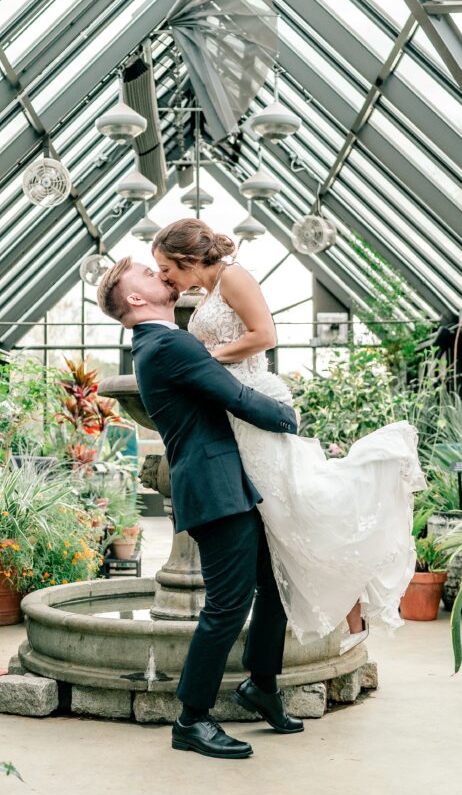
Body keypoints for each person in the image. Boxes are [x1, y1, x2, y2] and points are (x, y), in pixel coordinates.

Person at [151, 218, 426, 652]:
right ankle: (338, 615)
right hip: (235, 408)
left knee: (300, 506)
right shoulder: (206, 294)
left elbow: (265, 336)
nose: (164, 277)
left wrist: (206, 360)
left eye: (165, 267)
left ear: (186, 257)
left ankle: (354, 614)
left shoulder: (234, 277)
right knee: (288, 516)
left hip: (256, 399)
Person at [96, 257, 303, 760]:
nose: (160, 275)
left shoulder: (157, 344)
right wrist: (288, 417)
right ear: (136, 300)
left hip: (228, 483)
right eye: (148, 274)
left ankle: (263, 685)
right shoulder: (167, 342)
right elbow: (233, 395)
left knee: (273, 584)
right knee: (228, 605)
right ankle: (191, 718)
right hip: (214, 490)